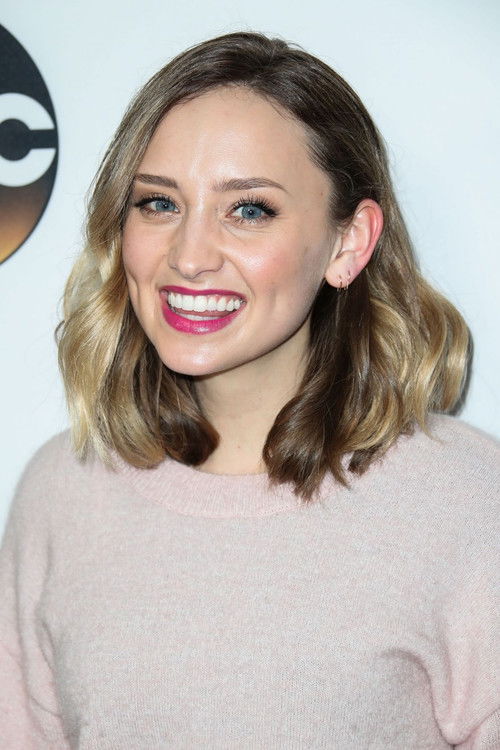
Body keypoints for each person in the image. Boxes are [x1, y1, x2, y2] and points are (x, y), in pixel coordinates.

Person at [0, 30, 498, 749]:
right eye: (158, 203)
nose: (189, 256)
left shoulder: (468, 503)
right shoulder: (62, 492)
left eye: (250, 210)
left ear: (348, 243)